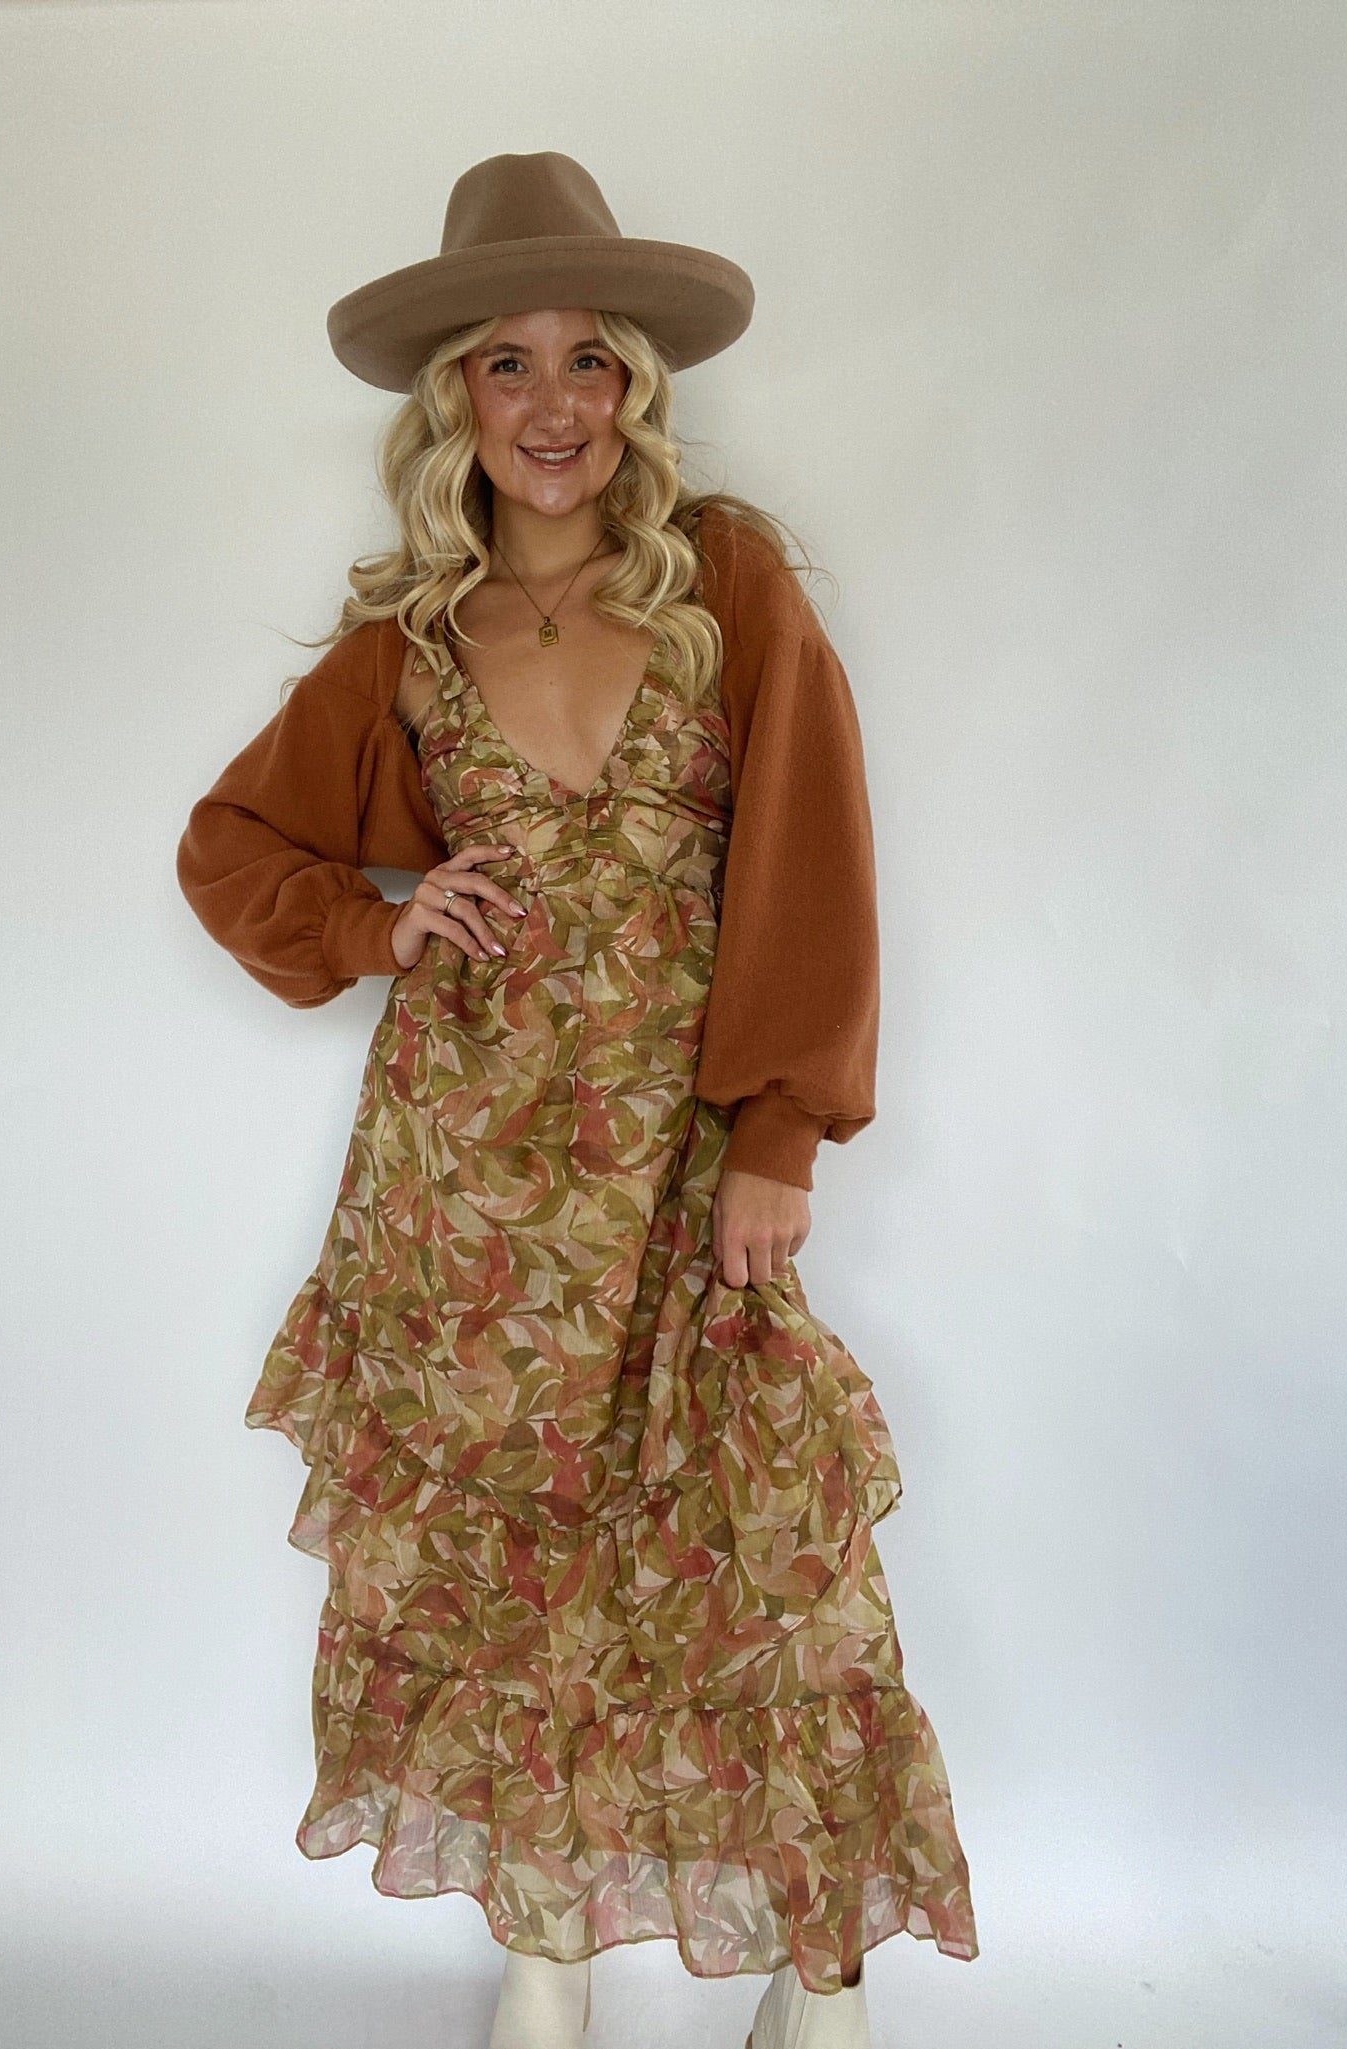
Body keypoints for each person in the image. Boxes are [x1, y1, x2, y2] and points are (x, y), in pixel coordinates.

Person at [177, 151, 977, 2049]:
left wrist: (779, 1129)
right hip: (465, 1183)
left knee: (759, 1547)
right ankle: (545, 1959)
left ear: (637, 384)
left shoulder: (728, 579)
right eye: (506, 363)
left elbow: (815, 856)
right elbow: (231, 846)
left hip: (682, 1154)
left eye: (588, 361)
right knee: (511, 1567)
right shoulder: (406, 635)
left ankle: (820, 1964)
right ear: (452, 396)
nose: (552, 406)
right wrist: (378, 928)